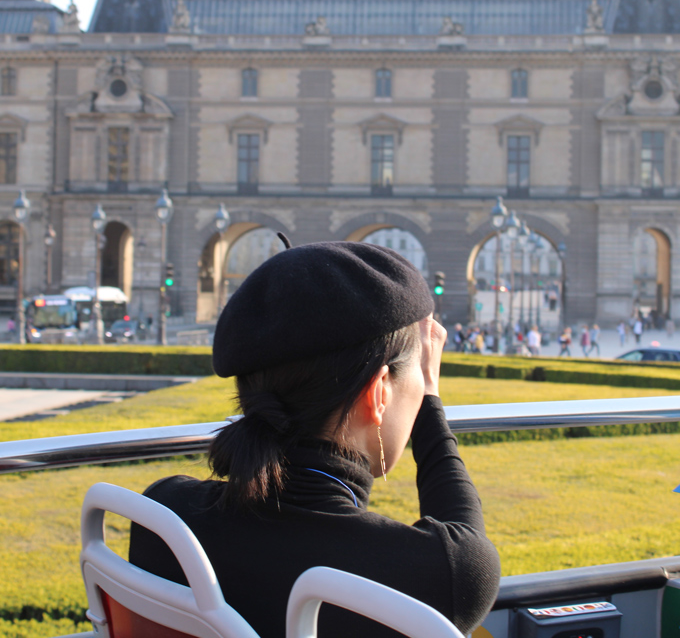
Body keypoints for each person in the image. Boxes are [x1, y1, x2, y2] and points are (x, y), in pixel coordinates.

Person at [128, 241, 501, 638]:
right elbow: (467, 544)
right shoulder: (436, 574)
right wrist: (429, 398)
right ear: (378, 393)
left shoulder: (163, 515)